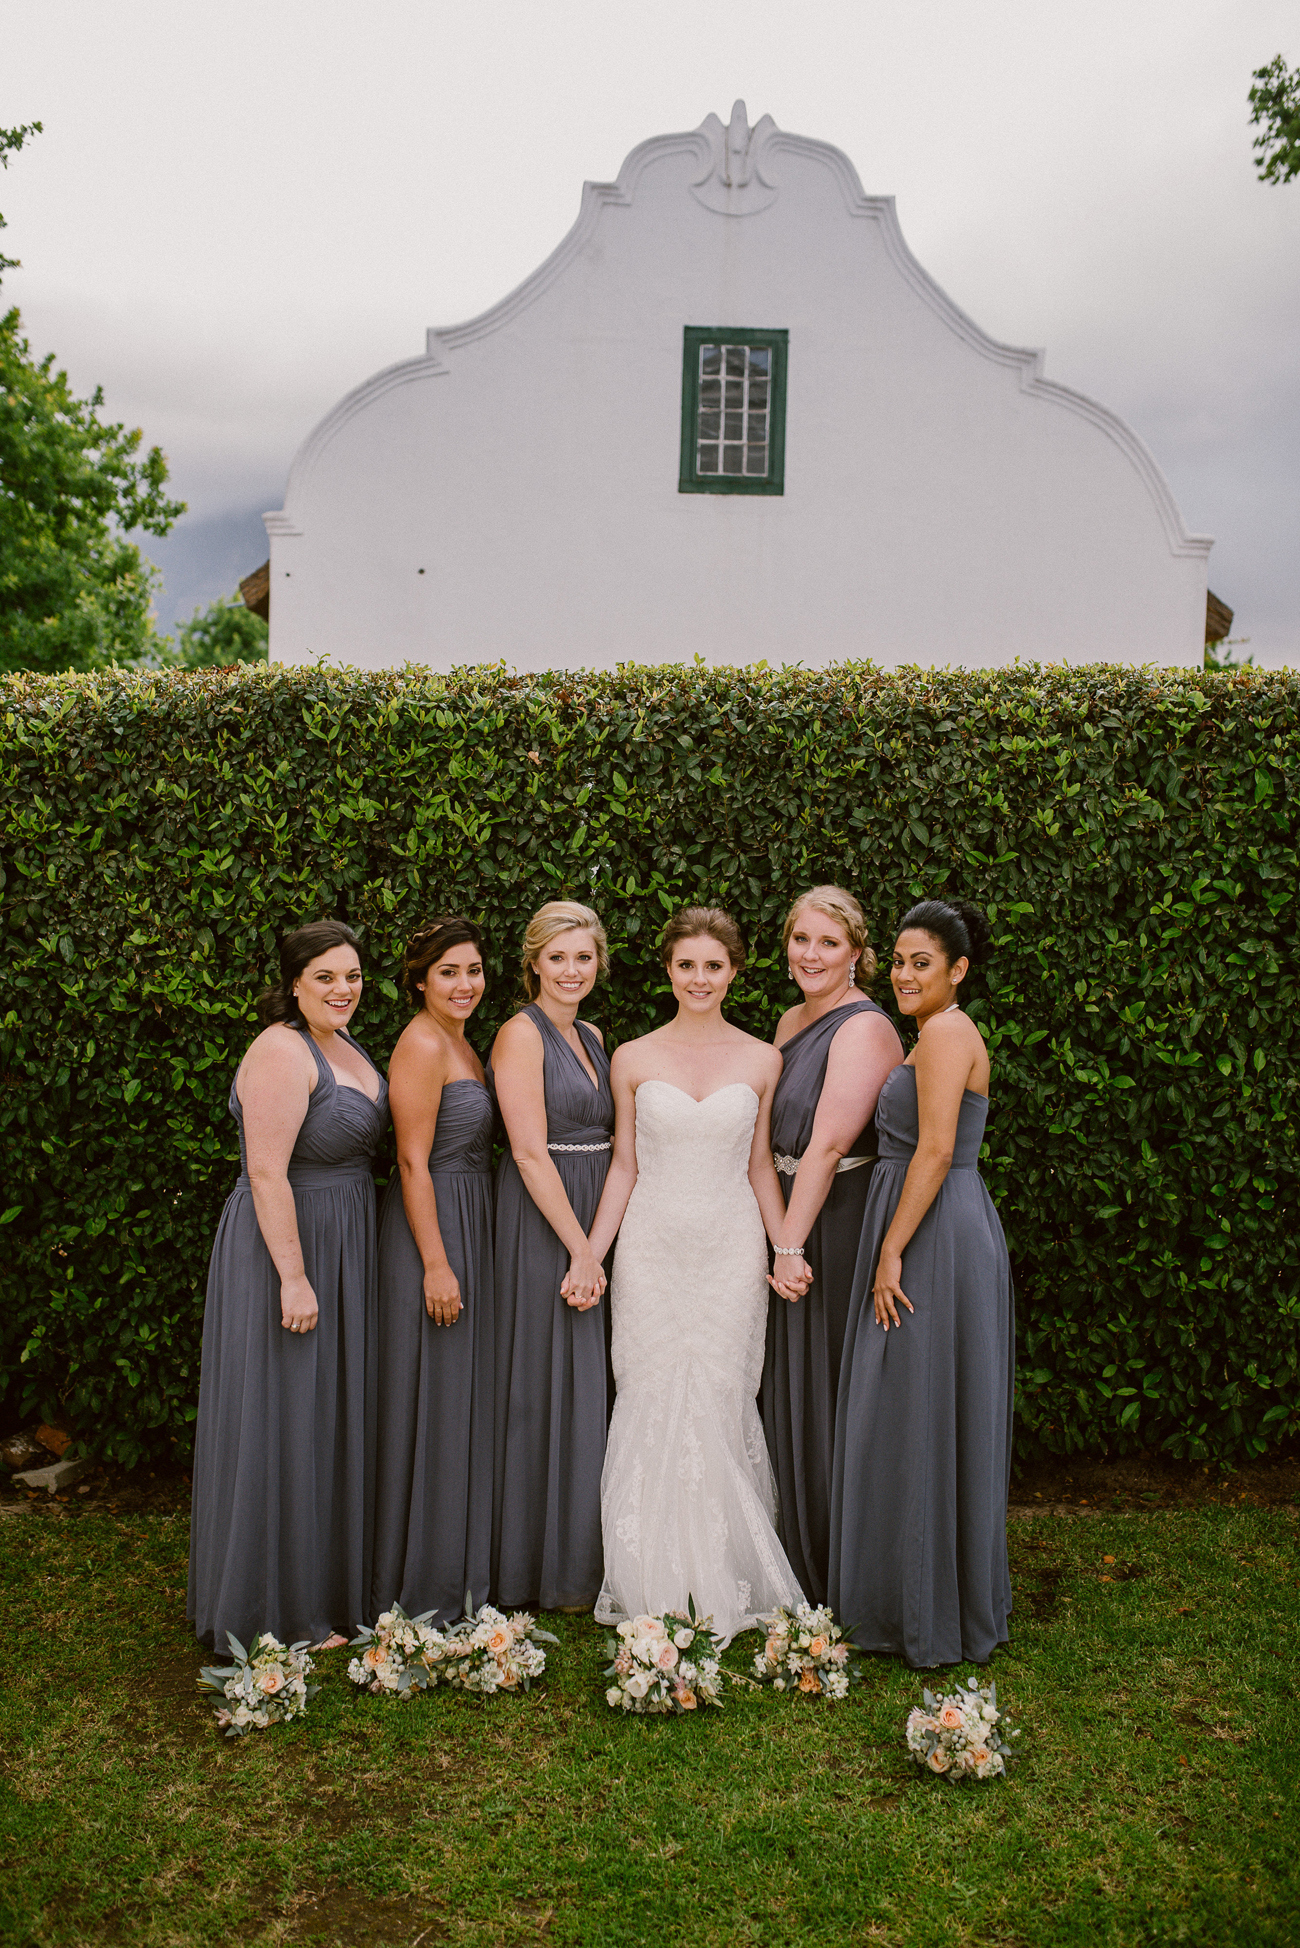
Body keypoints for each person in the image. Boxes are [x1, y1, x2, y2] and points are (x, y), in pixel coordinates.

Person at [588, 906, 805, 1644]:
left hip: (729, 1247)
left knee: (720, 1390)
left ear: (735, 972)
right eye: (687, 965)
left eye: (713, 966)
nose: (700, 979)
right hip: (650, 1245)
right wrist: (592, 1252)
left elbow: (758, 1167)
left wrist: (786, 1247)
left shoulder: (762, 1059)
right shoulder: (631, 1056)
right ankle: (647, 1575)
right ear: (668, 971)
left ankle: (726, 1568)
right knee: (649, 1388)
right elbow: (624, 1164)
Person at [188, 919, 387, 1651]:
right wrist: (294, 1277)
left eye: (354, 976)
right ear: (294, 982)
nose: (343, 989)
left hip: (346, 1242)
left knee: (326, 1415)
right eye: (327, 977)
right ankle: (273, 1606)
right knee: (287, 1416)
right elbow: (265, 1170)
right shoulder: (280, 1048)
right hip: (289, 1249)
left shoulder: (346, 1046)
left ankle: (325, 1594)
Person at [828, 899, 1014, 1667]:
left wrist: (892, 1250)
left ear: (958, 971)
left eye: (921, 963)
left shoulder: (944, 1032)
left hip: (932, 1231)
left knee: (916, 1408)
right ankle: (915, 1591)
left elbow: (935, 1152)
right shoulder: (934, 1032)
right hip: (928, 1222)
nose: (903, 975)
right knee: (913, 1408)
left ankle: (922, 1605)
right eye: (899, 961)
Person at [763, 886, 903, 1603]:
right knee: (786, 1382)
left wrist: (787, 1246)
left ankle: (840, 1563)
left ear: (856, 953)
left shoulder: (865, 1028)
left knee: (829, 1384)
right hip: (786, 1212)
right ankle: (790, 1552)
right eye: (800, 939)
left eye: (827, 943)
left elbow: (826, 1146)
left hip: (835, 1220)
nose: (810, 954)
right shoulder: (791, 1018)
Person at [488, 901, 613, 1612]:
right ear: (533, 961)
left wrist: (598, 1246)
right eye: (558, 957)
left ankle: (585, 1555)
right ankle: (536, 1566)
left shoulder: (594, 1035)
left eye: (584, 957)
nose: (572, 970)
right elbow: (530, 1153)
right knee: (543, 1383)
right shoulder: (519, 1035)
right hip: (546, 1220)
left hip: (594, 1216)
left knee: (590, 1383)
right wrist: (579, 1250)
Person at [371, 917, 495, 1625]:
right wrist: (437, 1263)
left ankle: (456, 1561)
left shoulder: (460, 1040)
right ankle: (422, 1578)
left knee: (459, 1393)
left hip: (469, 1211)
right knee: (433, 1394)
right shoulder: (421, 1043)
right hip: (435, 1226)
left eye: (474, 970)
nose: (464, 984)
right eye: (449, 972)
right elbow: (411, 1160)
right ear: (420, 979)